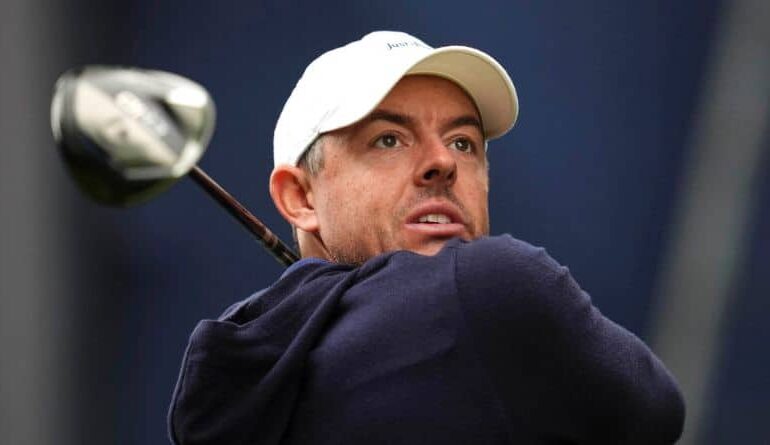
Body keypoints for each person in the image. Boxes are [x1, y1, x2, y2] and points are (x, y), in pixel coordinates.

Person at [168, 31, 685, 444]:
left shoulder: (237, 363)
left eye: (463, 142)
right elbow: (657, 410)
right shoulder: (495, 286)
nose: (441, 163)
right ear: (301, 199)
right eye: (388, 139)